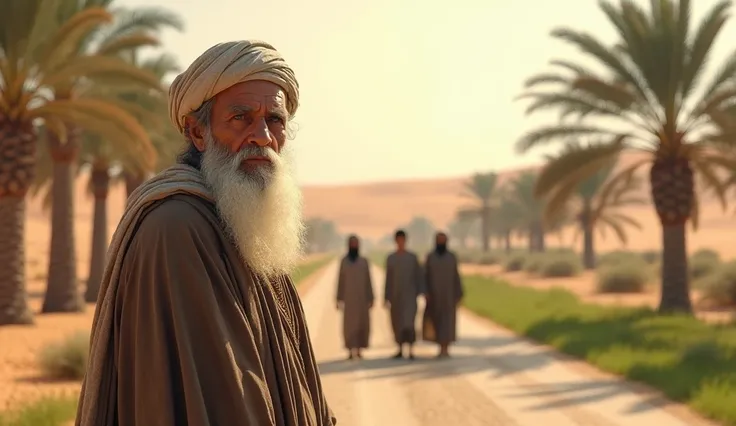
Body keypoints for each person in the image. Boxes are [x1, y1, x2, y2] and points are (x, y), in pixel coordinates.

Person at [75, 40, 336, 426]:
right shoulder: (176, 228)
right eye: (241, 118)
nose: (262, 136)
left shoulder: (249, 226)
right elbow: (224, 398)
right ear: (198, 133)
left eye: (274, 120)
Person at [384, 229, 424, 360]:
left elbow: (419, 276)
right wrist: (386, 296)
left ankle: (411, 349)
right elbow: (388, 279)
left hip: (410, 297)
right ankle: (400, 348)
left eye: (402, 240)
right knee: (397, 323)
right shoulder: (391, 258)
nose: (400, 242)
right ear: (396, 241)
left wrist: (421, 292)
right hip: (396, 298)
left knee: (409, 323)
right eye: (398, 240)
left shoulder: (412, 258)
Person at [423, 232, 464, 358]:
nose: (441, 243)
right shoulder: (430, 257)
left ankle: (445, 347)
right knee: (436, 322)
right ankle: (440, 347)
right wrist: (426, 292)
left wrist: (459, 293)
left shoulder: (451, 257)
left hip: (449, 296)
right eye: (439, 240)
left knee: (448, 323)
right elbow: (425, 276)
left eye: (443, 240)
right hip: (434, 296)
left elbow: (456, 276)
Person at [336, 235, 374, 360]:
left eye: (356, 243)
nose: (354, 245)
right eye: (352, 243)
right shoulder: (344, 262)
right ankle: (350, 350)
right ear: (348, 245)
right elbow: (340, 281)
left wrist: (371, 297)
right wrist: (338, 298)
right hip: (349, 300)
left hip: (362, 299)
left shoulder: (364, 261)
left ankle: (358, 350)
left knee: (361, 325)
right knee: (349, 326)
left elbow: (369, 280)